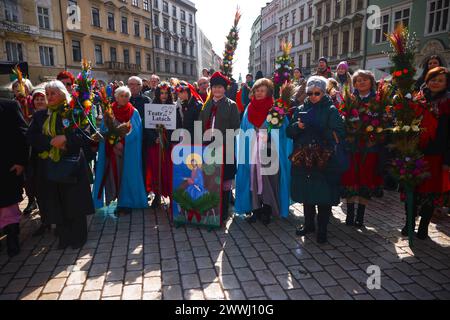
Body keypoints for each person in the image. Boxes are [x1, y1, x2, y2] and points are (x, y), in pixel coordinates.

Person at [27, 81, 94, 249]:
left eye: (53, 93)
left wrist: (66, 139)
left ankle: (78, 237)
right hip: (50, 166)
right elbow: (32, 137)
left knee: (74, 203)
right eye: (47, 94)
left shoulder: (73, 113)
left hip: (72, 166)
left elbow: (85, 135)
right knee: (56, 203)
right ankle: (64, 237)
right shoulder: (40, 116)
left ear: (64, 95)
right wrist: (50, 141)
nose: (49, 97)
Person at [287, 76, 345, 243]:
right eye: (310, 93)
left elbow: (339, 133)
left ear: (323, 92)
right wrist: (297, 127)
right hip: (304, 157)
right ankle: (308, 225)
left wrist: (320, 128)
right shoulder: (300, 109)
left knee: (323, 195)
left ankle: (323, 229)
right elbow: (288, 132)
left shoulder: (331, 110)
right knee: (307, 193)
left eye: (317, 93)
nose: (313, 96)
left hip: (324, 158)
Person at [235, 78, 292, 225]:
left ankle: (267, 209)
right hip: (252, 149)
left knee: (269, 179)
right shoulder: (249, 108)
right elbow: (244, 129)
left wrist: (269, 134)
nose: (259, 93)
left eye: (262, 90)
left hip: (270, 150)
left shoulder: (275, 109)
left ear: (268, 92)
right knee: (252, 179)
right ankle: (256, 210)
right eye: (257, 90)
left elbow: (283, 129)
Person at [403, 67, 450, 239]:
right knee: (411, 190)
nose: (435, 82)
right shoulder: (417, 99)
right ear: (427, 80)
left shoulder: (447, 103)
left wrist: (447, 159)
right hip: (415, 151)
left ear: (446, 84)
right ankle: (409, 222)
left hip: (436, 154)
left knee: (429, 193)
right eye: (432, 79)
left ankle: (423, 225)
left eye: (440, 80)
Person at [93, 86, 148, 216]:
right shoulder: (109, 111)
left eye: (126, 96)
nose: (123, 98)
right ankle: (115, 199)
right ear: (116, 97)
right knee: (113, 175)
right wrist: (113, 142)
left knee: (126, 175)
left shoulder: (133, 112)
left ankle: (126, 202)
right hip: (112, 150)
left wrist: (123, 143)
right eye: (121, 96)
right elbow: (104, 130)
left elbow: (136, 133)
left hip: (128, 151)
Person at [341, 70, 383, 227]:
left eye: (365, 80)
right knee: (350, 178)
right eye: (358, 80)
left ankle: (360, 216)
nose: (361, 83)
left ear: (371, 82)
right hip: (352, 146)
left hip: (370, 146)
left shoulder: (378, 100)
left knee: (366, 179)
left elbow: (383, 122)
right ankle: (350, 214)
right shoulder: (350, 99)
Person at [199, 72, 241, 222]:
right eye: (214, 87)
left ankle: (223, 212)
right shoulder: (207, 104)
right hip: (208, 147)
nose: (217, 90)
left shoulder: (232, 105)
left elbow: (236, 128)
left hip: (225, 148)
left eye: (220, 87)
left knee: (224, 181)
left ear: (224, 89)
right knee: (210, 179)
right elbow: (200, 123)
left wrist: (220, 139)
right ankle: (210, 209)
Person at [0, 98, 28, 257]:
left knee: (8, 206)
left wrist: (21, 162)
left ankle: (12, 237)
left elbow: (22, 133)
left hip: (6, 167)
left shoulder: (9, 106)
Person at [145, 82, 177, 209]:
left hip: (168, 145)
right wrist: (154, 138)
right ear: (158, 94)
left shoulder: (173, 106)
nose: (164, 96)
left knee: (168, 170)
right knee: (156, 169)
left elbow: (176, 126)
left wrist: (168, 138)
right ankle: (157, 195)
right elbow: (147, 126)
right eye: (161, 93)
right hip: (155, 145)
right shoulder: (152, 106)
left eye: (166, 93)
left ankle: (170, 195)